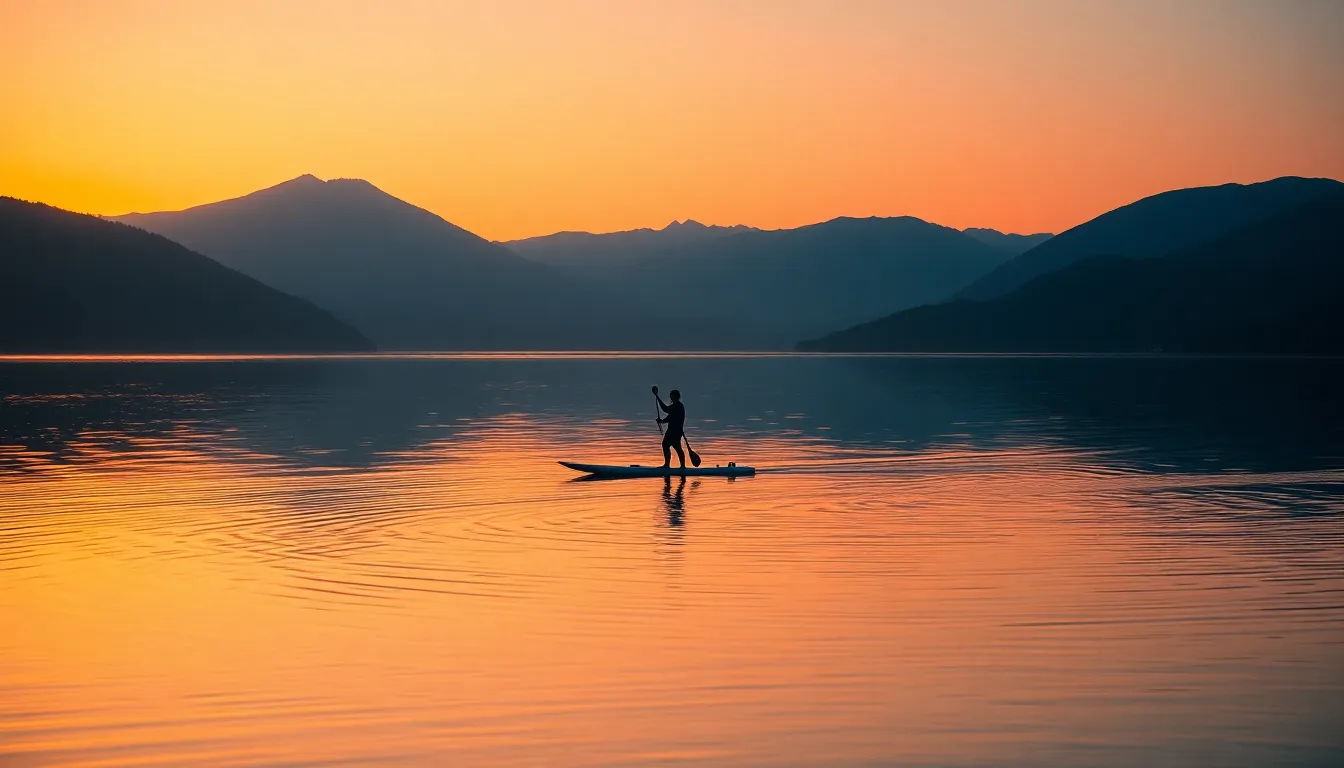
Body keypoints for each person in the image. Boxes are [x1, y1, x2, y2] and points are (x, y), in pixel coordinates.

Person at [653, 386, 686, 469]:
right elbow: (670, 417)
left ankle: (669, 465)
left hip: (674, 432)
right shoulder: (677, 406)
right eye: (671, 396)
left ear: (677, 397)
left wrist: (657, 397)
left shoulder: (677, 406)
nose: (671, 397)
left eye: (673, 396)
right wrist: (661, 421)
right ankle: (681, 467)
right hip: (676, 431)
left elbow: (665, 409)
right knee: (676, 447)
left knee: (667, 445)